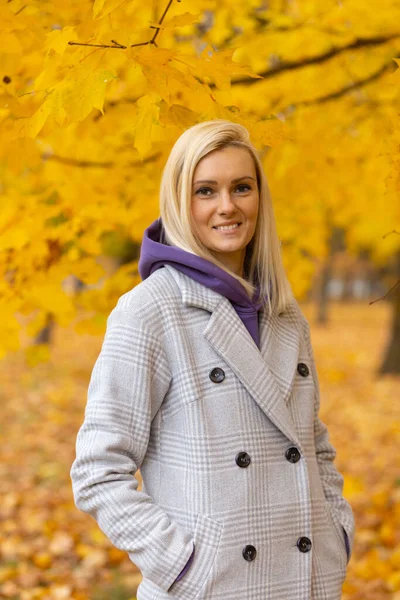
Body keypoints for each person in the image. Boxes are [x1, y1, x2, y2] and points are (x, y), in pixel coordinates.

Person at [70, 119, 355, 600]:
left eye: (241, 187)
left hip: (308, 582)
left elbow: (312, 442)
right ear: (182, 202)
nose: (228, 206)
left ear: (259, 198)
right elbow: (98, 470)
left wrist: (336, 534)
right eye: (207, 191)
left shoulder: (285, 314)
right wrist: (185, 569)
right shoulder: (149, 311)